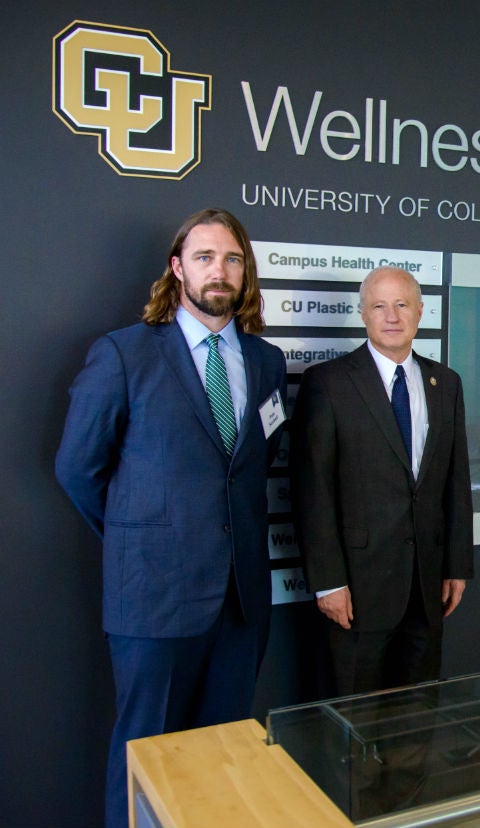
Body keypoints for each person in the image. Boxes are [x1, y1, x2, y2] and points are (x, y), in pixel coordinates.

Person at [55, 208, 287, 828]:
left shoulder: (266, 362)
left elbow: (251, 467)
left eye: (233, 259)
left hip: (240, 602)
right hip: (153, 598)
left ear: (247, 273)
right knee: (146, 752)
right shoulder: (124, 355)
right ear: (177, 267)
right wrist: (143, 540)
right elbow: (78, 469)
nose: (221, 270)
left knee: (227, 752)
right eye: (206, 257)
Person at [290, 266, 474, 695]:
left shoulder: (446, 383)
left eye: (402, 304)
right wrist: (328, 581)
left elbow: (455, 481)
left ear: (420, 312)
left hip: (427, 589)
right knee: (354, 722)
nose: (391, 316)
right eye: (379, 306)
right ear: (363, 314)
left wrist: (456, 566)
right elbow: (312, 490)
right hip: (357, 590)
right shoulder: (328, 383)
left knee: (415, 717)